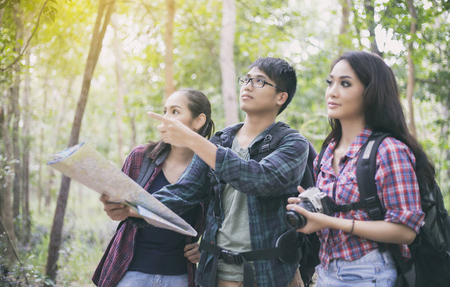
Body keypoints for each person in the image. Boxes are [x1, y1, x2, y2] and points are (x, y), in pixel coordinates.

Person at [147, 57, 311, 287]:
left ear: (281, 97)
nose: (248, 85)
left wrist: (193, 140)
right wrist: (133, 204)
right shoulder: (221, 141)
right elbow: (183, 192)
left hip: (271, 274)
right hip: (218, 273)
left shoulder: (293, 143)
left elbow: (260, 179)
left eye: (260, 81)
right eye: (246, 79)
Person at [287, 51, 434, 286]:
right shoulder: (326, 152)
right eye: (330, 82)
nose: (332, 91)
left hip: (371, 273)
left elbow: (406, 231)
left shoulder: (389, 150)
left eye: (345, 83)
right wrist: (310, 211)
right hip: (325, 272)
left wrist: (329, 221)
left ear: (371, 93)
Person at [92, 89, 215, 287]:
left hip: (181, 276)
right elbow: (121, 207)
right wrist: (114, 209)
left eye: (175, 112)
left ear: (198, 120)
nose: (165, 119)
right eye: (165, 111)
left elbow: (218, 220)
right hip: (130, 272)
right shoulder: (140, 157)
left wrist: (206, 247)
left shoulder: (211, 168)